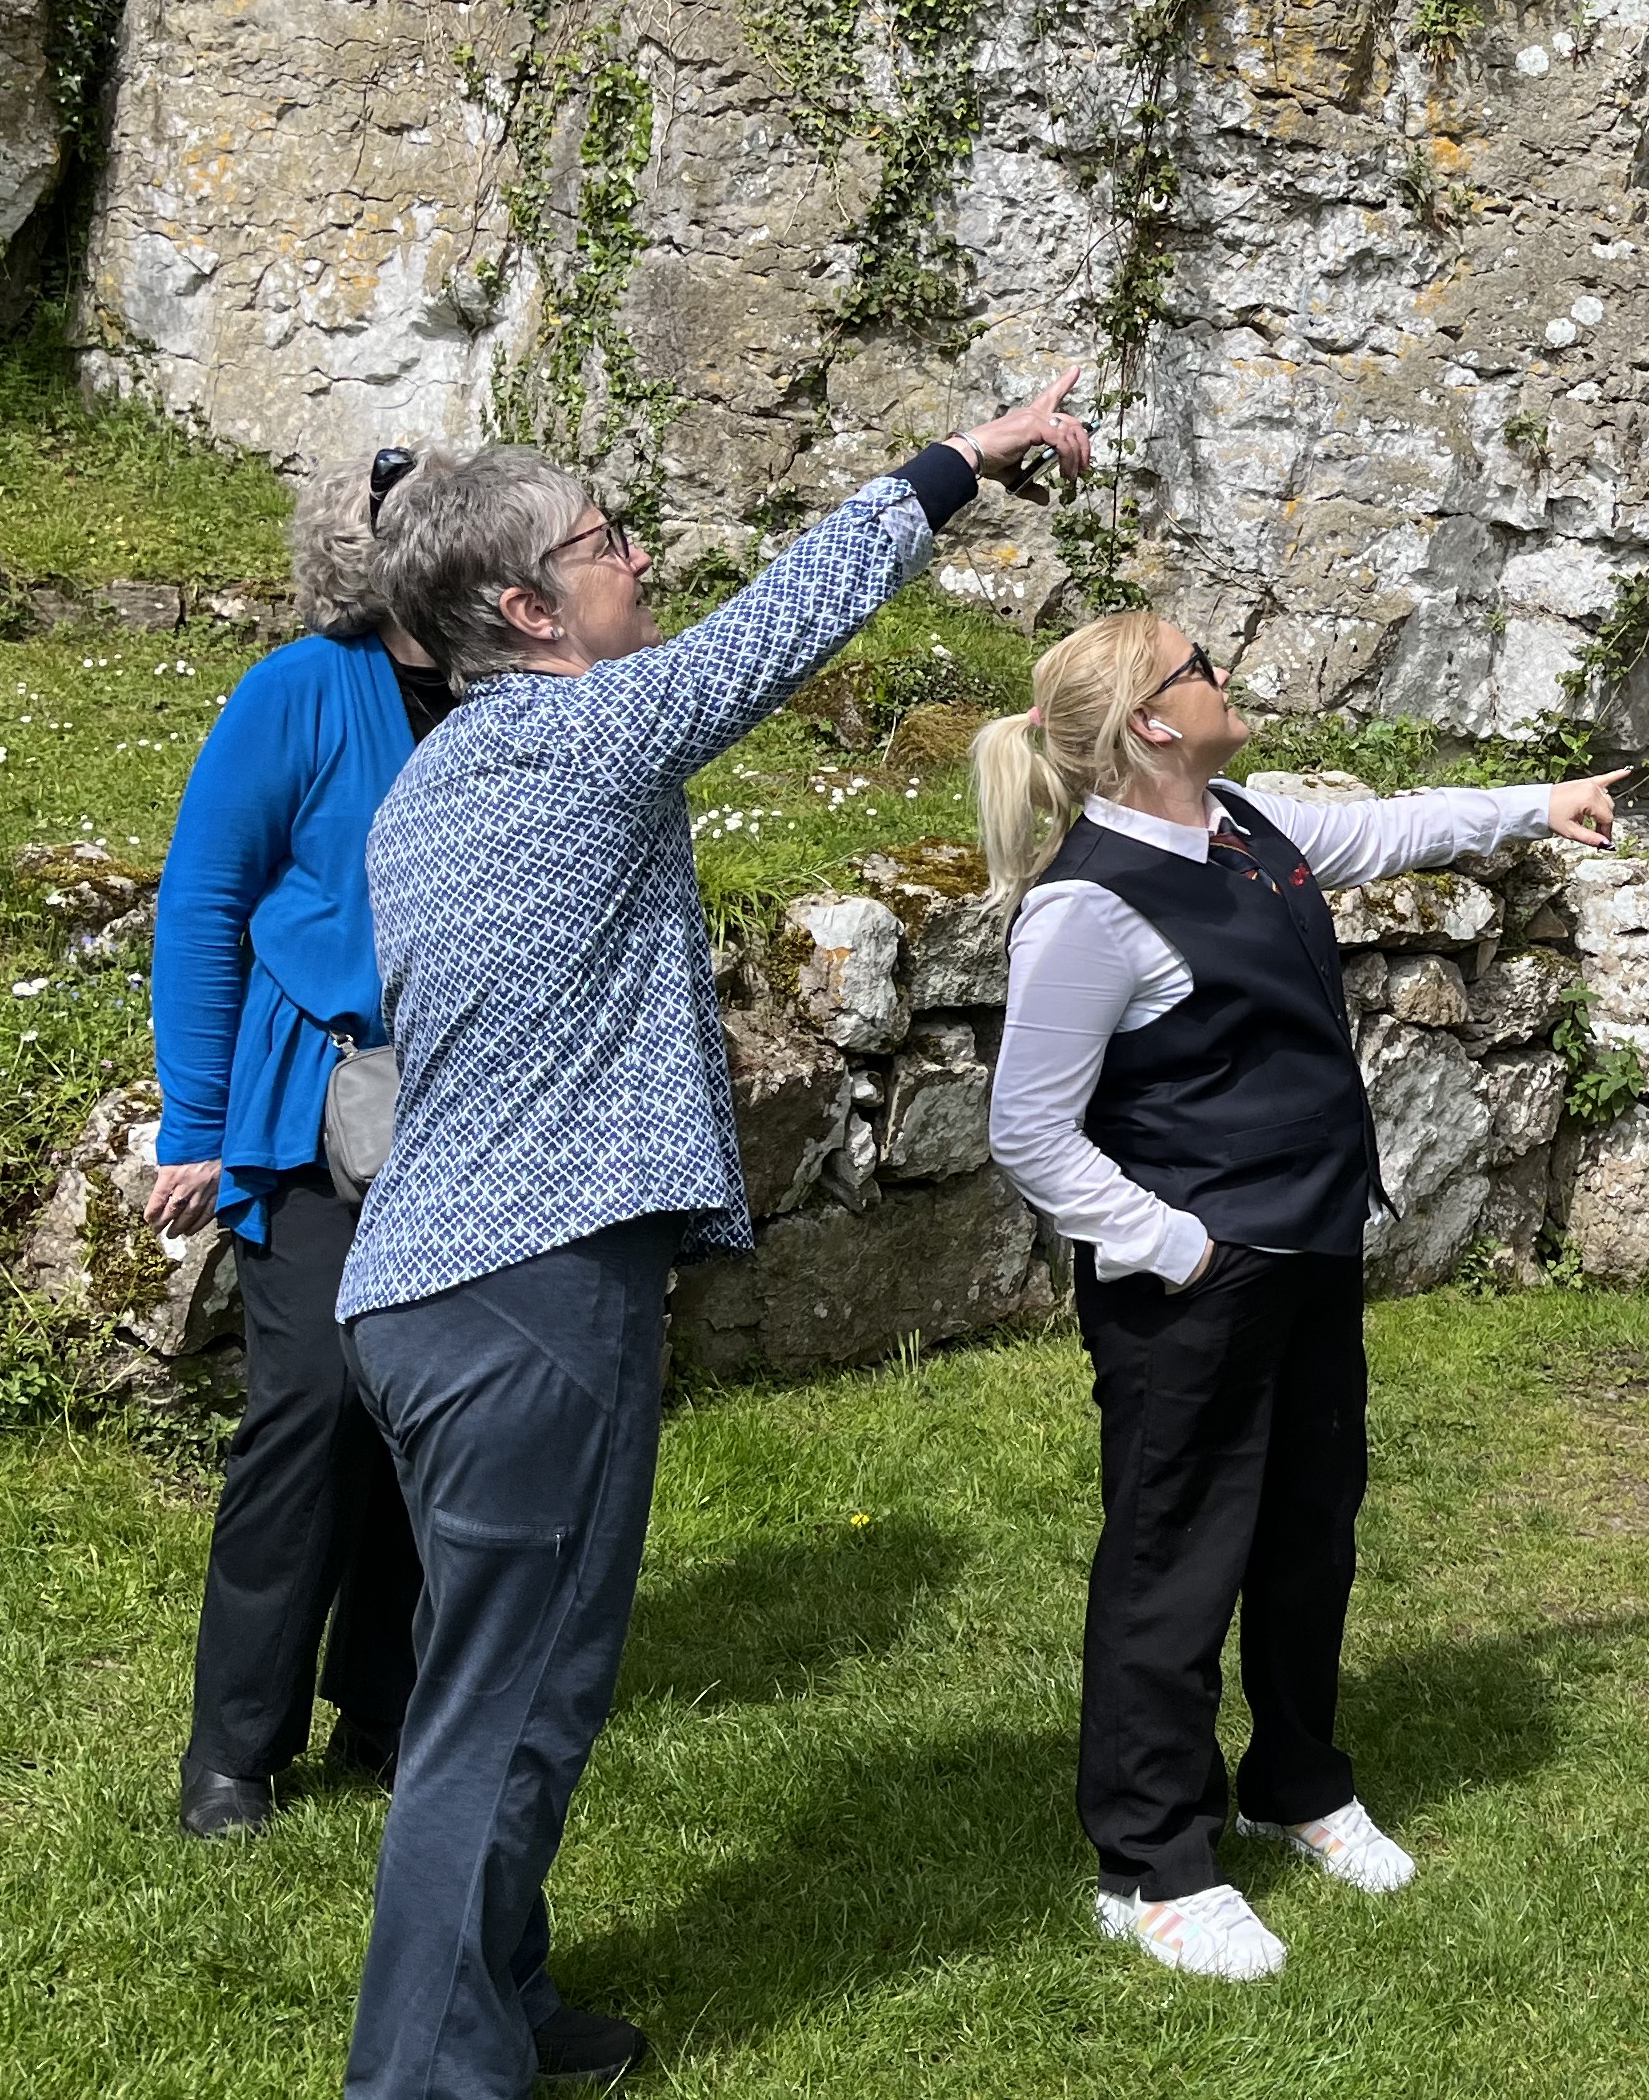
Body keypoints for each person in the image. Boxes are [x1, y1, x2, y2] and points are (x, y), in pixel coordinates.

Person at [334, 376, 1091, 2100]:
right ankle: (424, 2076)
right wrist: (961, 460)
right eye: (605, 543)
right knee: (504, 1713)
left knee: (518, 1685)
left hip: (449, 1293)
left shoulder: (438, 781)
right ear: (528, 612)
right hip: (526, 1290)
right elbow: (784, 622)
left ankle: (497, 1999)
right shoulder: (573, 733)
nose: (637, 557)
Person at [972, 614, 1625, 1982]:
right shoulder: (1089, 905)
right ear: (1153, 721)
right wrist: (1174, 1247)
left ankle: (1296, 1781)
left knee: (1311, 1526)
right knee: (1176, 1558)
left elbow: (1388, 828)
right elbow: (1031, 1129)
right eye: (1199, 666)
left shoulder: (1247, 825)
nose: (1222, 677)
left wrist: (1540, 806)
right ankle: (1151, 1862)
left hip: (1312, 1253)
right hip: (1192, 1290)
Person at [149, 449, 454, 1840]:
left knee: (428, 1413)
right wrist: (199, 1123)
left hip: (468, 1114)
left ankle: (387, 1703)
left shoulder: (506, 694)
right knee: (314, 1408)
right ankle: (236, 1749)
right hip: (314, 1114)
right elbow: (205, 902)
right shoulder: (298, 690)